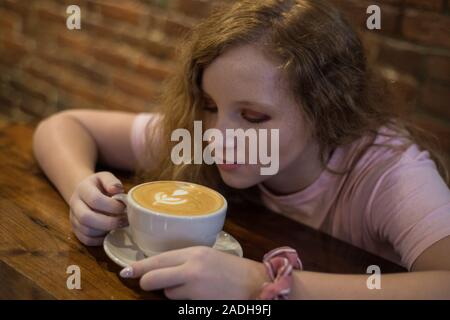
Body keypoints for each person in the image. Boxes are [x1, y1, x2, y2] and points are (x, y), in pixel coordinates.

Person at [33, 0, 450, 299]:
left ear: (327, 110)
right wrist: (80, 192)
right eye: (211, 106)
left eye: (253, 118)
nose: (217, 136)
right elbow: (63, 126)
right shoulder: (196, 134)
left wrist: (263, 285)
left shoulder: (387, 170)